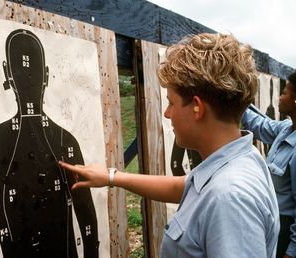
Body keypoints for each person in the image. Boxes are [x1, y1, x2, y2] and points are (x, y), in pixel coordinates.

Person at [59, 33, 280, 257]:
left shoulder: (230, 200)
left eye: (171, 103)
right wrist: (111, 177)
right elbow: (182, 187)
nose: (167, 113)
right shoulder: (240, 158)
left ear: (197, 108)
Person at [242, 71, 296, 258]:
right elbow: (258, 124)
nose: (280, 97)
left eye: (285, 92)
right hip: (271, 222)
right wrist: (235, 98)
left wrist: (290, 253)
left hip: (285, 233)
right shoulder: (286, 129)